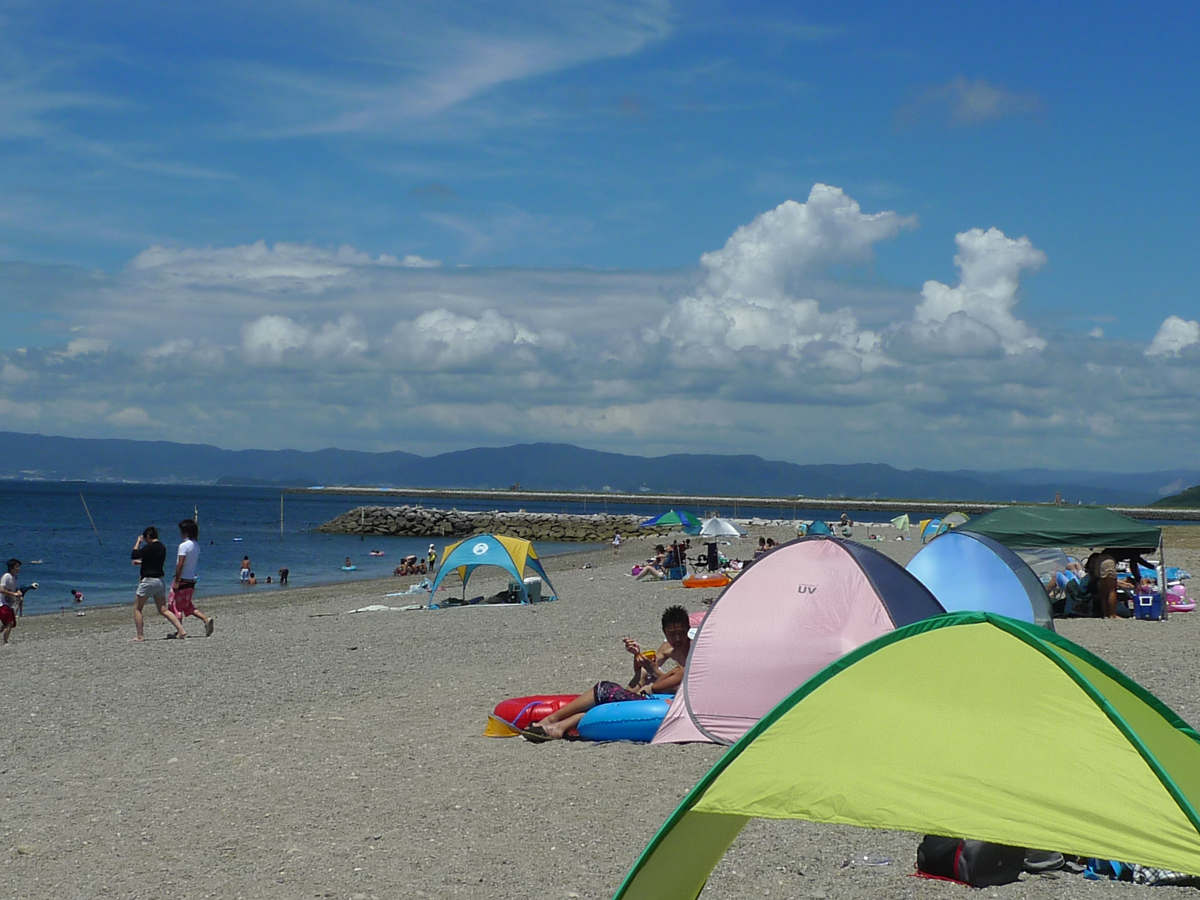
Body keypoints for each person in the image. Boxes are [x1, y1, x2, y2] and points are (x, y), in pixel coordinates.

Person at [526, 606, 692, 741]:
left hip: (666, 700)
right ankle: (558, 728)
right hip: (649, 694)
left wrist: (653, 670)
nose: (677, 638)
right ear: (664, 632)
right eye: (672, 634)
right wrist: (637, 655)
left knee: (603, 689)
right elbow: (640, 672)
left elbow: (658, 685)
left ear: (688, 630)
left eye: (681, 633)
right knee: (604, 703)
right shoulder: (667, 649)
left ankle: (552, 720)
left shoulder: (694, 653)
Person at [131, 526, 187, 642]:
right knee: (163, 609)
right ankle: (181, 630)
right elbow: (153, 562)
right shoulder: (162, 547)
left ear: (148, 537)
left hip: (148, 581)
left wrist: (138, 542)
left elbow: (134, 554)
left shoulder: (148, 547)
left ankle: (140, 636)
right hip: (159, 581)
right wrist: (141, 563)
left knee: (137, 608)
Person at [170, 519, 214, 637]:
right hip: (191, 578)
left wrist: (177, 581)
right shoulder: (196, 545)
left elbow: (180, 564)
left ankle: (180, 630)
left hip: (183, 579)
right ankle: (205, 619)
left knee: (175, 605)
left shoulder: (184, 546)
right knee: (187, 605)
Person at [1, 559, 21, 644]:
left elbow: (14, 588)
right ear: (12, 568)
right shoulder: (6, 576)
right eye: (17, 567)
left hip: (9, 604)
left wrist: (18, 592)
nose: (19, 568)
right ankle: (5, 642)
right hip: (2, 603)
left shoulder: (14, 577)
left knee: (10, 624)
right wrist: (13, 594)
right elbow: (1, 589)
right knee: (9, 622)